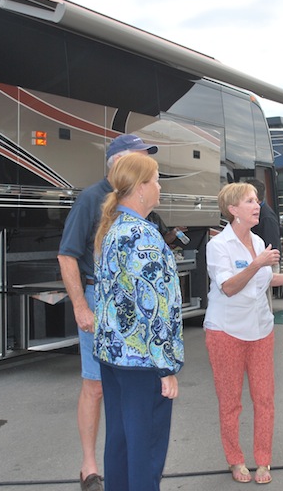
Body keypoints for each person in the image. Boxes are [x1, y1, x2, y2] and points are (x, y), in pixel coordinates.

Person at [57, 134, 158, 491]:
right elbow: (67, 254)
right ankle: (89, 466)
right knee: (96, 386)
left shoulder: (140, 200)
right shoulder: (91, 198)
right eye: (140, 157)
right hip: (97, 298)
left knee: (124, 389)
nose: (147, 165)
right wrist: (81, 306)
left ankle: (125, 467)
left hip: (129, 305)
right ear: (117, 161)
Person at [92, 152, 184, 491]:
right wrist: (166, 366)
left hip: (113, 357)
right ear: (141, 188)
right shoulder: (142, 236)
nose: (160, 186)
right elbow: (154, 306)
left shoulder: (114, 228)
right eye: (156, 179)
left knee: (120, 444)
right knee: (145, 452)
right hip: (143, 361)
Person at [204, 182, 283, 485]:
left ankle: (263, 460)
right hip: (226, 332)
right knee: (230, 401)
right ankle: (236, 460)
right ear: (232, 210)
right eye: (250, 201)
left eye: (257, 200)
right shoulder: (218, 246)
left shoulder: (257, 242)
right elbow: (228, 287)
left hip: (261, 330)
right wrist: (257, 264)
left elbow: (265, 280)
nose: (257, 206)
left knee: (265, 398)